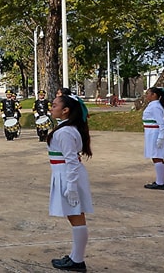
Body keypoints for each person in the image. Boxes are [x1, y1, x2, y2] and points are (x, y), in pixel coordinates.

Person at [47, 94, 93, 271]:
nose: (52, 107)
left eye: (54, 105)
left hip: (68, 176)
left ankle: (78, 260)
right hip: (64, 175)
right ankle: (76, 257)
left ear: (65, 110)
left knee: (76, 217)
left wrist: (72, 187)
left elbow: (71, 161)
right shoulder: (66, 128)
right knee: (74, 216)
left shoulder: (65, 132)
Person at [141, 86, 164, 190]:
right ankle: (160, 181)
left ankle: (160, 182)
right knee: (155, 156)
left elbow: (162, 123)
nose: (146, 95)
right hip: (151, 132)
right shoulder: (153, 105)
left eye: (148, 93)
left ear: (154, 95)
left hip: (155, 133)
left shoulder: (155, 107)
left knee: (157, 156)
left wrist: (161, 137)